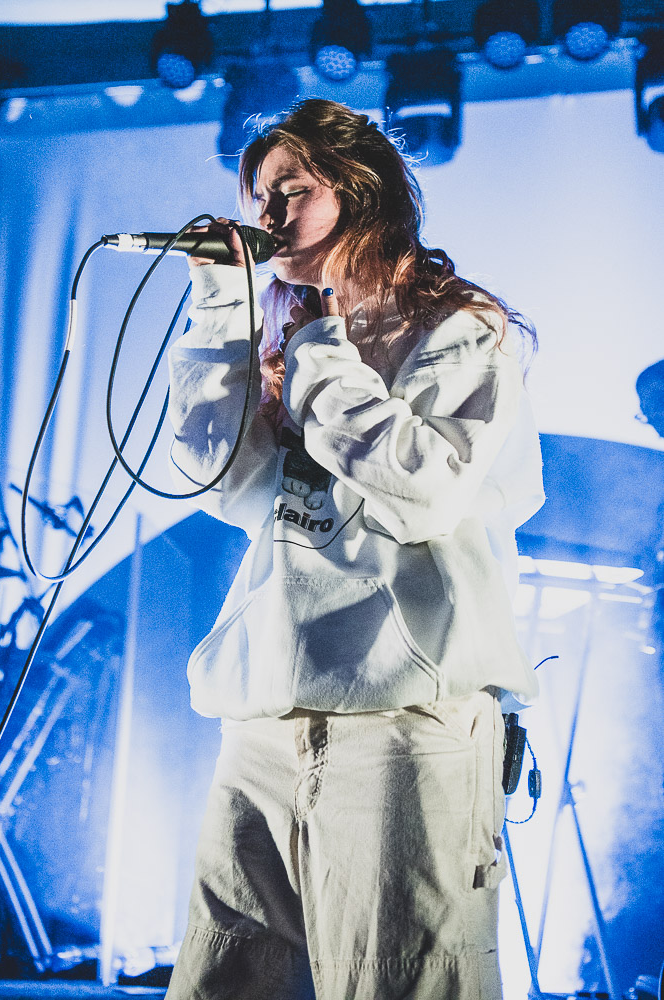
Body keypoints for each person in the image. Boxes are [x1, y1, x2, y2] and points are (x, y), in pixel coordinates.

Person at [165, 98, 544, 1000]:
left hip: (404, 721)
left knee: (398, 980)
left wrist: (318, 352)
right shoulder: (285, 337)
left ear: (359, 192)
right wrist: (222, 311)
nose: (265, 214)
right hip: (267, 710)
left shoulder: (459, 327)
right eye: (258, 193)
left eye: (291, 189)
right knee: (225, 977)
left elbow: (421, 491)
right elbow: (216, 478)